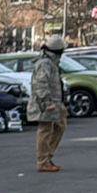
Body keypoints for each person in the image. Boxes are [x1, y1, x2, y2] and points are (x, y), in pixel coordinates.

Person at [29, 34, 68, 173]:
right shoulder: (45, 63)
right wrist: (46, 103)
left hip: (55, 102)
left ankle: (47, 157)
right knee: (45, 130)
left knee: (60, 126)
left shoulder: (52, 63)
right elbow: (40, 84)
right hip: (45, 103)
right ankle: (43, 161)